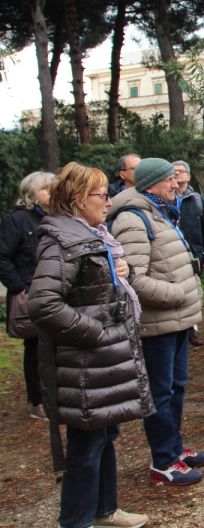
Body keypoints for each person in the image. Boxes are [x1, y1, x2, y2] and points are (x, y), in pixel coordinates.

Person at [29, 162, 153, 528]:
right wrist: (96, 334)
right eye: (102, 194)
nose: (109, 200)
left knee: (106, 432)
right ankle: (76, 521)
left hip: (100, 363)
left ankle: (105, 510)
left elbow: (91, 289)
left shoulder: (93, 235)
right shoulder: (63, 241)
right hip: (85, 364)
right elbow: (44, 304)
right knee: (86, 446)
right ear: (80, 199)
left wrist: (120, 275)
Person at [108, 158, 204, 486]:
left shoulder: (160, 212)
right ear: (152, 183)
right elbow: (132, 279)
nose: (176, 184)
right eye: (169, 180)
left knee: (176, 387)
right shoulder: (133, 219)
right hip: (157, 323)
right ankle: (163, 461)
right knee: (161, 393)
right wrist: (178, 292)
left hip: (175, 321)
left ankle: (175, 449)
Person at [0, 171, 54, 420]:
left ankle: (57, 395)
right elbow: (2, 256)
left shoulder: (58, 217)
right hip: (31, 292)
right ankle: (38, 400)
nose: (51, 192)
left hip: (57, 292)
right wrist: (19, 287)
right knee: (35, 347)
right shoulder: (18, 220)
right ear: (31, 193)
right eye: (45, 188)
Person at [172, 160, 204, 347]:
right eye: (174, 172)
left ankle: (192, 329)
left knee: (195, 292)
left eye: (182, 171)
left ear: (188, 176)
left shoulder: (198, 200)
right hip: (172, 255)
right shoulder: (165, 199)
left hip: (193, 253)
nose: (178, 175)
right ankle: (178, 328)